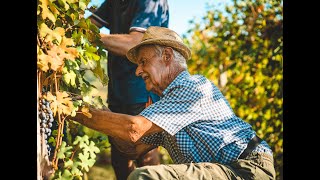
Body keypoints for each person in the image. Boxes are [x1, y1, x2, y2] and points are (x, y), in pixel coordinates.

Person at [69, 26, 276, 179]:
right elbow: (132, 149)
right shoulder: (166, 105)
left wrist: (73, 108)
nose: (138, 71)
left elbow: (133, 129)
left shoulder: (192, 86)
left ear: (167, 56)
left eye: (143, 62)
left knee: (144, 177)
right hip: (227, 168)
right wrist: (103, 114)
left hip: (247, 168)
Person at [87, 1, 169, 179]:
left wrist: (89, 35)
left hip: (143, 89)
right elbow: (89, 24)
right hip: (118, 89)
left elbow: (136, 43)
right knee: (119, 157)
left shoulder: (151, 2)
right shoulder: (113, 2)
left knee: (145, 154)